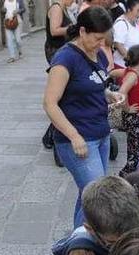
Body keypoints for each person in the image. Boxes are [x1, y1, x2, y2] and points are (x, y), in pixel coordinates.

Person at [44, 7, 116, 227]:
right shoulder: (65, 58)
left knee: (90, 196)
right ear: (82, 31)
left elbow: (94, 85)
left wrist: (109, 94)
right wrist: (74, 136)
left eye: (104, 39)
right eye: (97, 38)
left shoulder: (99, 53)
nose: (101, 43)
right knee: (97, 198)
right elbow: (49, 103)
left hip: (101, 133)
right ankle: (81, 250)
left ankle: (78, 245)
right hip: (79, 139)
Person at [42, 0, 79, 150]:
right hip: (56, 51)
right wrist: (72, 28)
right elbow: (54, 30)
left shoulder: (64, 8)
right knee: (62, 93)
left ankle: (50, 135)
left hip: (61, 50)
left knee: (64, 94)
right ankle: (52, 134)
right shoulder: (57, 8)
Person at [117, 44, 139, 176]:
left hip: (137, 116)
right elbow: (122, 92)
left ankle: (131, 171)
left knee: (135, 145)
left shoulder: (131, 72)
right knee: (135, 147)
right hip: (135, 117)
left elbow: (114, 73)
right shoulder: (133, 76)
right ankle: (127, 173)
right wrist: (127, 108)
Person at [111, 0, 139, 67]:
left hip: (136, 65)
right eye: (138, 10)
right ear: (129, 9)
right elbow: (118, 45)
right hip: (123, 65)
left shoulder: (135, 23)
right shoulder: (121, 23)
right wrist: (131, 60)